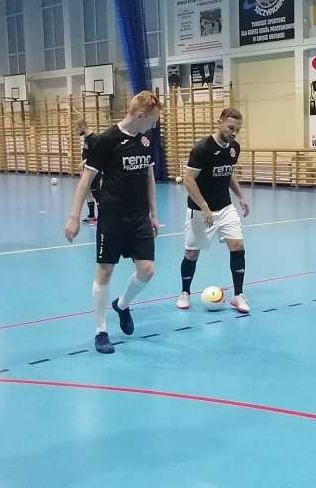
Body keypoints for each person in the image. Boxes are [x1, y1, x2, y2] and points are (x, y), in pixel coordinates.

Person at [64, 91, 161, 354]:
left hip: (139, 216)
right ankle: (101, 330)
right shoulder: (106, 140)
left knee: (147, 270)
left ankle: (122, 304)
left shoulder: (145, 139)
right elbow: (86, 180)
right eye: (152, 120)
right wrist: (74, 217)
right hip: (112, 217)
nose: (154, 125)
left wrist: (154, 213)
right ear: (139, 115)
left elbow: (149, 176)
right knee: (105, 271)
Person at [176, 107, 251, 313]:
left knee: (237, 245)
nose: (234, 133)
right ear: (220, 123)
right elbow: (188, 179)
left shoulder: (234, 148)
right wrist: (204, 206)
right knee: (191, 253)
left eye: (237, 129)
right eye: (231, 128)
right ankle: (185, 292)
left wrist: (241, 196)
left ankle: (238, 295)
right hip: (200, 210)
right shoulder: (202, 148)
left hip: (225, 207)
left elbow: (229, 172)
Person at [76, 119, 101, 225]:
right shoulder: (86, 138)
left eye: (77, 129)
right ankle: (91, 215)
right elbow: (87, 153)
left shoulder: (94, 138)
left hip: (94, 170)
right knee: (87, 192)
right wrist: (83, 169)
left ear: (82, 127)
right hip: (87, 170)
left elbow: (97, 155)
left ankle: (101, 217)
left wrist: (84, 162)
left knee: (96, 193)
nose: (76, 132)